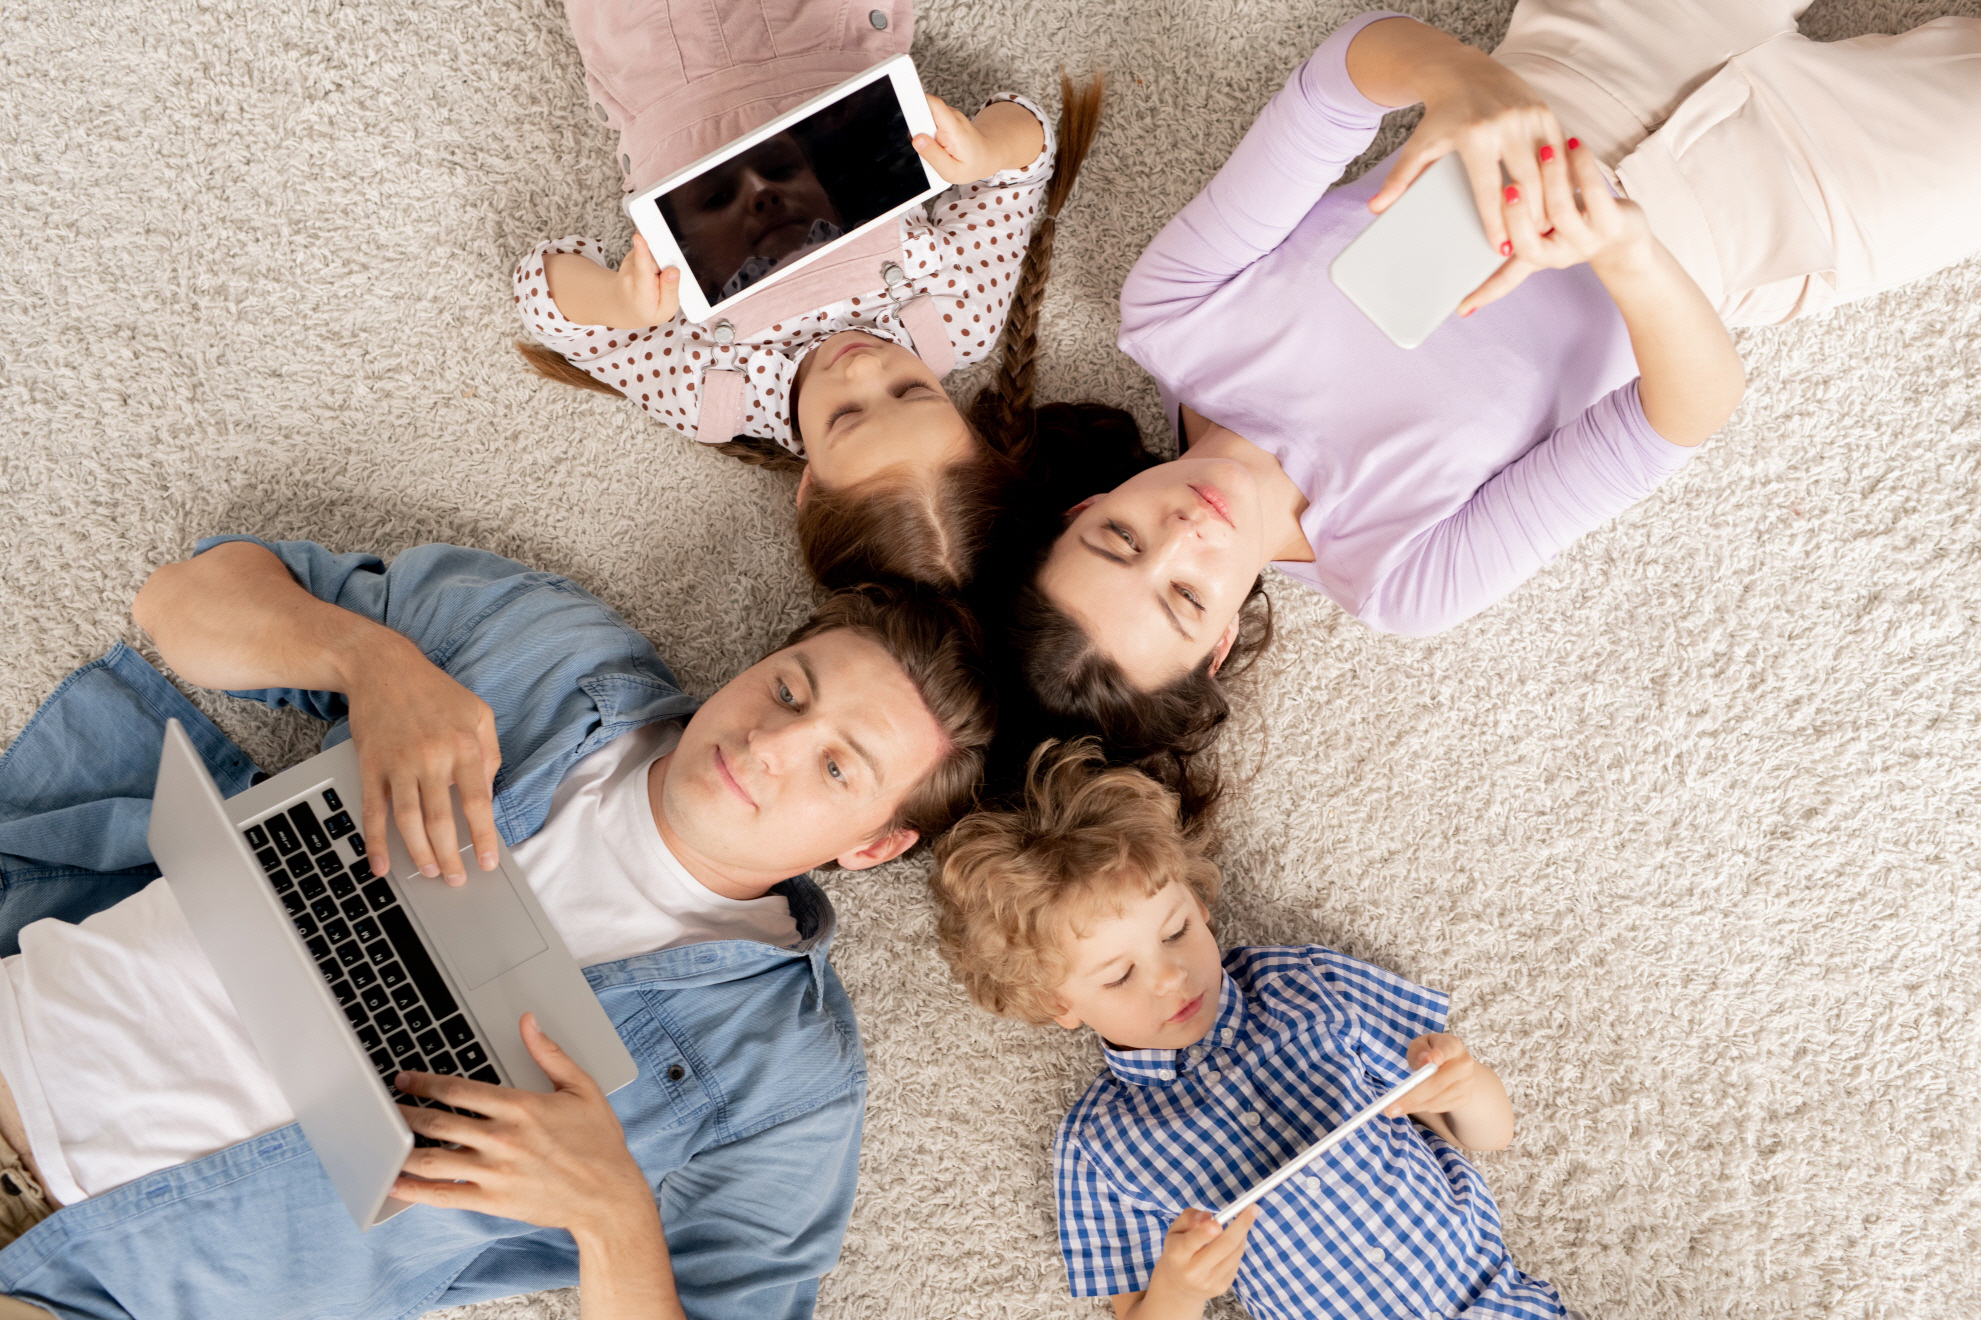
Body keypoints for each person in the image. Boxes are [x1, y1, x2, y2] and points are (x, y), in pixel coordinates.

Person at [0, 534, 992, 1319]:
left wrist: (610, 1216)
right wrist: (370, 662)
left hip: (96, 1294)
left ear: (872, 846)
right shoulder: (546, 648)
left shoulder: (791, 1084)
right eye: (789, 689)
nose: (771, 743)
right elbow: (180, 601)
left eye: (836, 767)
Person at [997, 3, 1981, 783]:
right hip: (1761, 218)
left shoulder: (1173, 319)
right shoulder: (1398, 576)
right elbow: (1684, 413)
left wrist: (1457, 79)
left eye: (1117, 539)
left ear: (1085, 506)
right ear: (1216, 645)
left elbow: (1338, 78)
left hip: (1601, 47)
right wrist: (1628, 252)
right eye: (1180, 595)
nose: (1181, 533)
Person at [930, 741, 1580, 1320]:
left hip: (1495, 1301)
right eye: (1119, 975)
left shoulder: (1307, 985)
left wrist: (1462, 1087)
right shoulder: (1099, 1147)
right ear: (1056, 1003)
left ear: (1199, 903)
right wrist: (1179, 1294)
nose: (1169, 978)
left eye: (1177, 931)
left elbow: (1493, 1135)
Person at [516, 0, 1106, 589]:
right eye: (911, 390)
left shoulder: (714, 400)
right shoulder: (960, 319)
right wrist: (983, 148)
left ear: (808, 486)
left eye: (847, 415)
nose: (866, 371)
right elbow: (1025, 156)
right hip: (825, 30)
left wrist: (617, 303)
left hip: (654, 52)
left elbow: (544, 297)